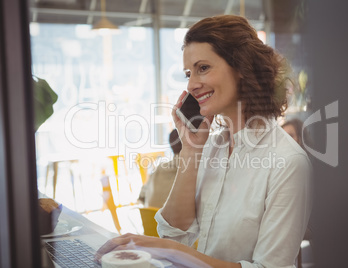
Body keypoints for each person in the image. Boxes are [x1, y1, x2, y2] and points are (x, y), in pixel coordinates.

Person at [96, 15, 312, 268]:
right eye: (188, 73)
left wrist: (167, 249)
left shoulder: (289, 162)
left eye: (203, 68)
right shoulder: (211, 147)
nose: (191, 85)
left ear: (241, 67)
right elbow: (174, 232)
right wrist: (190, 148)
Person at [138, 129, 182, 208]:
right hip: (170, 219)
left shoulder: (160, 168)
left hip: (150, 218)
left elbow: (141, 196)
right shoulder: (193, 171)